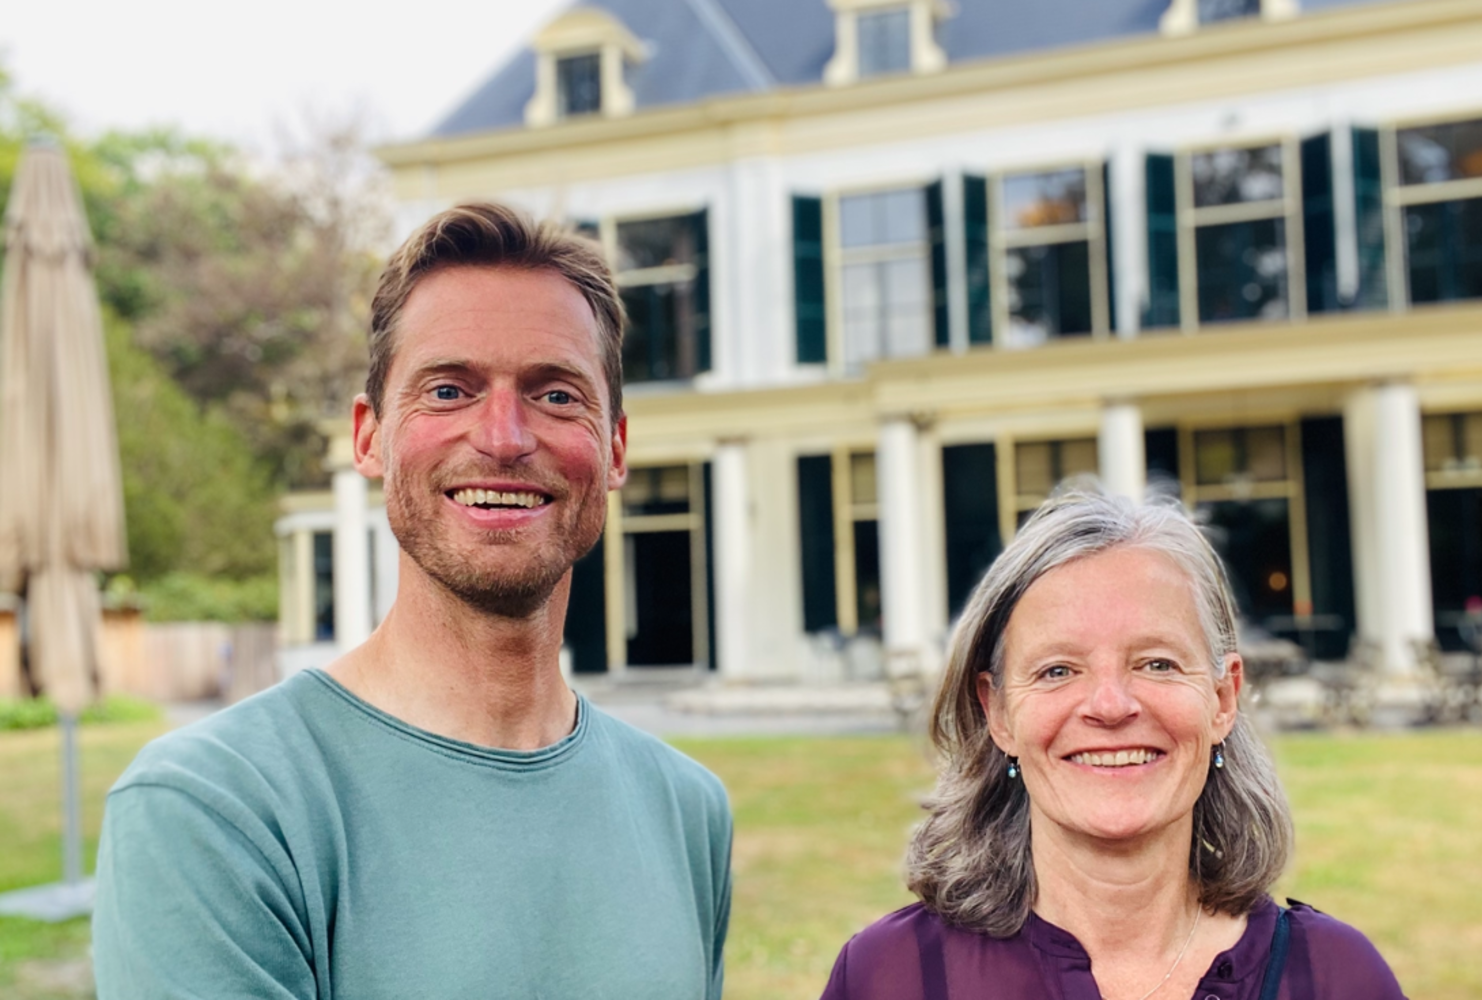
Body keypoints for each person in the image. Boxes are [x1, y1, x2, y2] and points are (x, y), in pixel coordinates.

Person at [93, 204, 733, 999]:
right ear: (370, 438)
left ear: (615, 449)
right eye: (449, 389)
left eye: (557, 395)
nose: (503, 437)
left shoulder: (687, 811)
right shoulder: (214, 808)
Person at [821, 488, 1405, 1000]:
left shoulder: (1338, 978)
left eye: (1157, 663)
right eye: (1057, 670)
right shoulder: (890, 977)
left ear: (1223, 699)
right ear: (997, 712)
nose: (1110, 705)